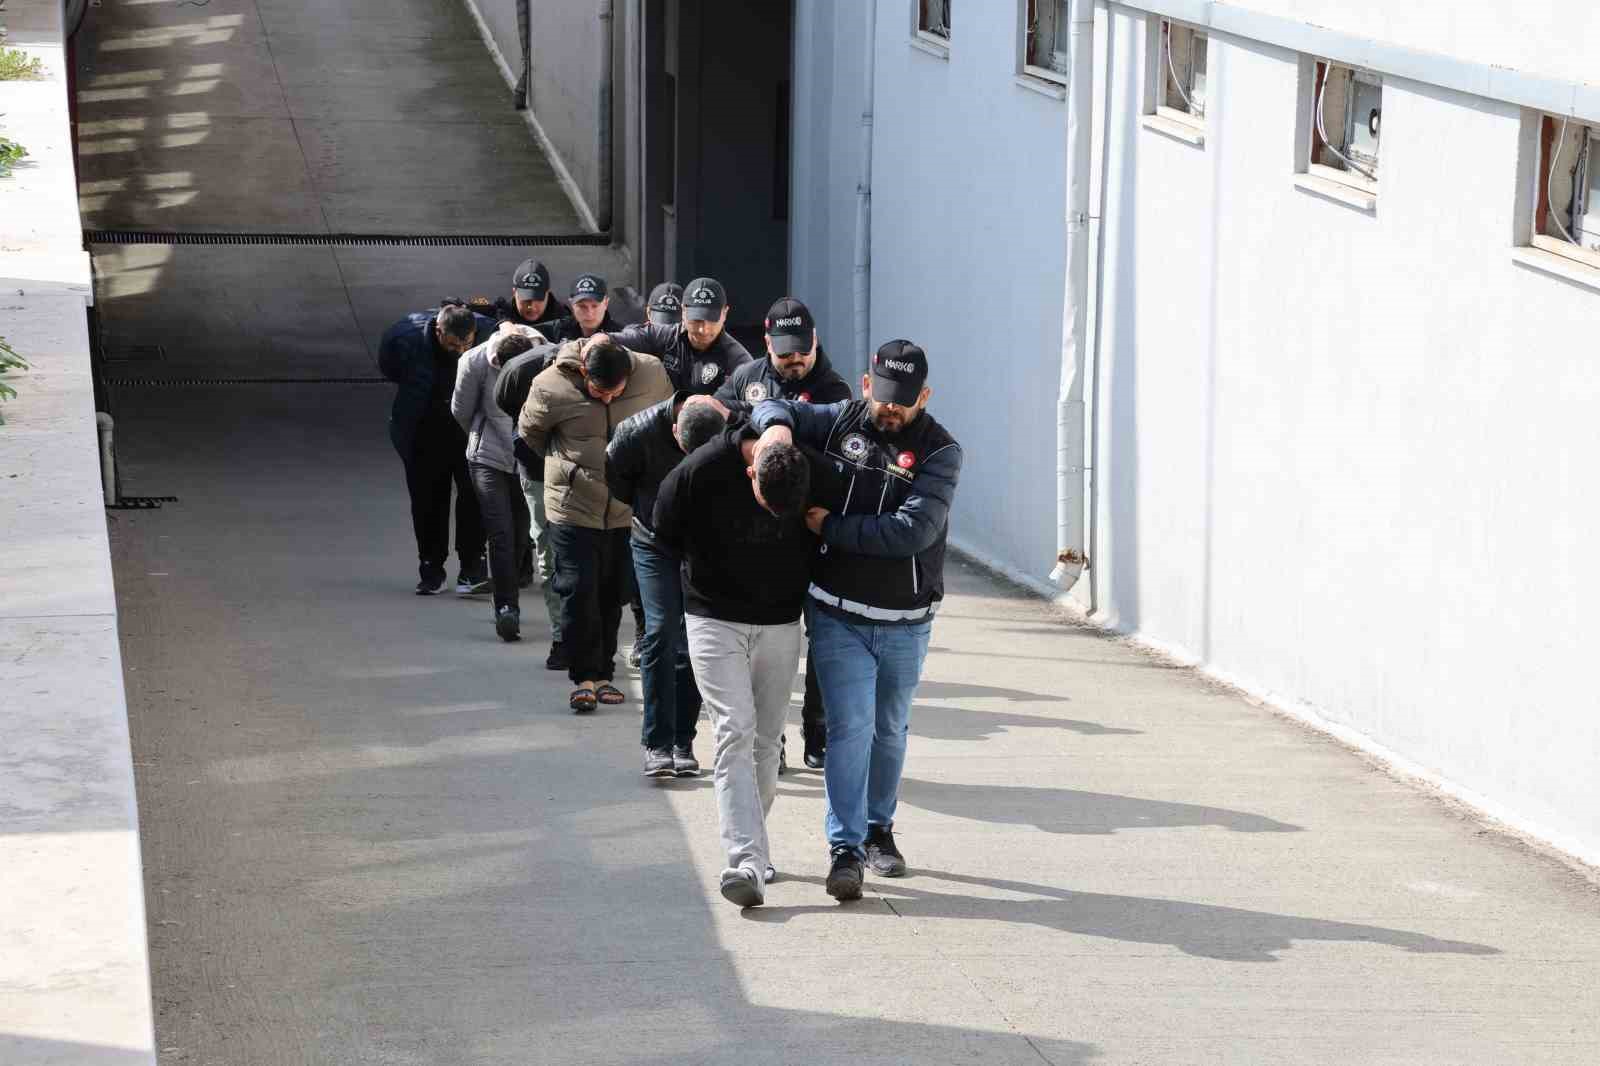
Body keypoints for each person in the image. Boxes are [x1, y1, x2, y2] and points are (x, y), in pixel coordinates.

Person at [750, 340, 962, 901]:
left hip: (905, 620)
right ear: (867, 386)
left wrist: (829, 528)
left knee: (889, 729)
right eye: (885, 398)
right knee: (850, 729)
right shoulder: (840, 418)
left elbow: (910, 532)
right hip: (836, 611)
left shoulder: (941, 453)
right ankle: (844, 849)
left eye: (905, 402)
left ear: (925, 396)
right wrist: (775, 429)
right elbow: (778, 406)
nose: (892, 410)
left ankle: (878, 831)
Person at [652, 421, 831, 908]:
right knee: (735, 729)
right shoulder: (699, 471)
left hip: (779, 622)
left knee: (768, 741)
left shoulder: (810, 467)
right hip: (713, 617)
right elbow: (659, 536)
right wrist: (667, 617)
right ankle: (745, 861)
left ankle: (756, 844)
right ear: (750, 470)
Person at [716, 297, 854, 769]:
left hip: (813, 534)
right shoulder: (748, 378)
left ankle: (816, 734)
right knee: (762, 645)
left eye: (802, 351)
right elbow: (724, 427)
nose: (795, 361)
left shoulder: (835, 392)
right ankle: (768, 739)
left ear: (814, 341)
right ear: (767, 345)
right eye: (785, 353)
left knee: (822, 642)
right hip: (757, 536)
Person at [519, 335, 672, 712]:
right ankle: (584, 677)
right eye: (597, 391)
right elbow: (531, 433)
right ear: (584, 370)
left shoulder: (651, 374)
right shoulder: (550, 384)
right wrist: (568, 468)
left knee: (612, 591)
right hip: (572, 507)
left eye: (614, 393)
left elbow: (668, 421)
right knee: (578, 590)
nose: (605, 399)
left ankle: (605, 672)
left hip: (624, 508)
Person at [606, 397, 725, 776]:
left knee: (694, 637)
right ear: (675, 432)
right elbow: (617, 483)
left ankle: (681, 740)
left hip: (700, 545)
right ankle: (656, 743)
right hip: (653, 541)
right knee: (661, 632)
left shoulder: (732, 427)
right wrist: (650, 510)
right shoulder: (635, 433)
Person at [378, 302, 496, 595]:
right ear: (438, 331)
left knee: (474, 496)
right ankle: (431, 567)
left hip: (468, 429)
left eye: (466, 345)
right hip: (422, 429)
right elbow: (389, 367)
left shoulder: (487, 331)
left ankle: (472, 568)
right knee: (428, 500)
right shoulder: (405, 338)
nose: (459, 351)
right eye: (453, 344)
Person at [453, 327, 545, 642]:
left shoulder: (546, 358)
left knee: (521, 533)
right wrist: (485, 436)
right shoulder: (474, 362)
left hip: (528, 456)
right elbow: (461, 411)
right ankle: (507, 609)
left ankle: (507, 586)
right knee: (500, 531)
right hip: (488, 457)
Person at [494, 339, 569, 667]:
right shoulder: (518, 371)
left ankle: (588, 636)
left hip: (588, 474)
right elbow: (507, 406)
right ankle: (561, 636)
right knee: (549, 550)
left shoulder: (602, 368)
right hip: (537, 471)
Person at [609, 276, 752, 396]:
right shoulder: (666, 335)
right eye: (696, 320)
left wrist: (717, 405)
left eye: (711, 320)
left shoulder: (738, 360)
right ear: (683, 311)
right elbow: (623, 338)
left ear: (725, 313)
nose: (703, 329)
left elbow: (754, 406)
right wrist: (600, 340)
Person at [541, 273, 622, 344]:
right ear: (571, 304)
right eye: (582, 306)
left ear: (606, 303)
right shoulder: (558, 330)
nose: (589, 313)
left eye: (595, 306)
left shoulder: (620, 335)